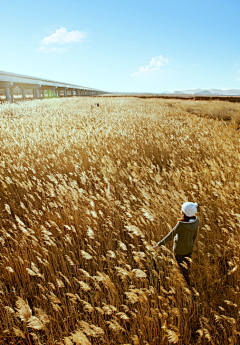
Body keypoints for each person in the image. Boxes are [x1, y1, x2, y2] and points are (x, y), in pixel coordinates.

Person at [153, 202, 199, 286]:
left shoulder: (181, 224)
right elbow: (194, 236)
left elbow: (171, 235)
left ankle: (184, 285)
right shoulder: (196, 221)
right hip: (189, 249)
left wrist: (158, 245)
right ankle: (188, 284)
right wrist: (191, 244)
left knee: (180, 269)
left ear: (183, 212)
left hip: (179, 251)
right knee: (186, 268)